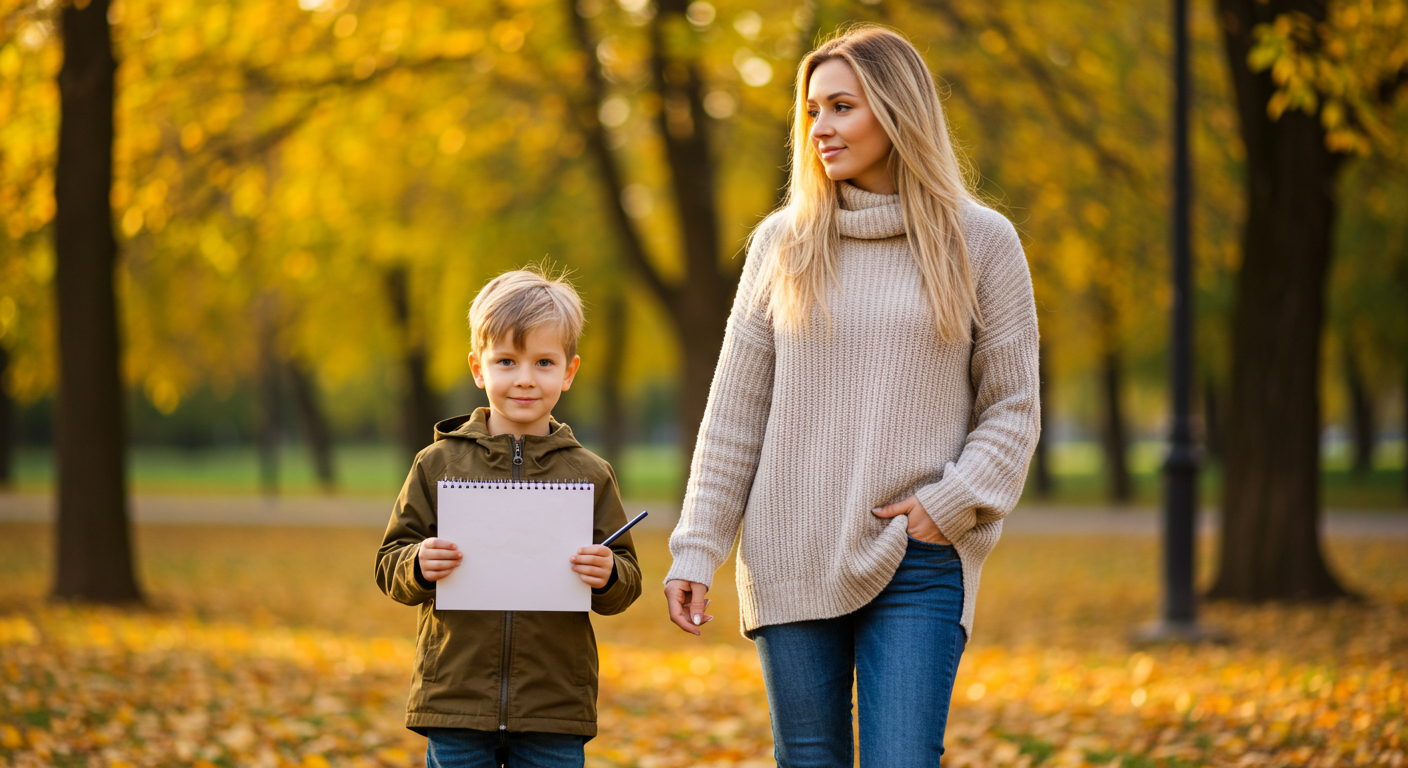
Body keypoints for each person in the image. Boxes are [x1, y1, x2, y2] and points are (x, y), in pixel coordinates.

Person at [663, 25, 1041, 768]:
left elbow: (1012, 406)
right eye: (812, 110)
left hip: (918, 555)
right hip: (789, 550)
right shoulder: (783, 244)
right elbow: (734, 417)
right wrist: (696, 550)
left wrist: (950, 502)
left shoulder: (982, 241)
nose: (820, 128)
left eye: (842, 107)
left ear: (898, 110)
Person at [376, 267, 642, 768]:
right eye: (506, 361)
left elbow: (626, 580)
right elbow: (389, 562)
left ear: (568, 372)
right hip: (455, 698)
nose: (524, 378)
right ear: (478, 369)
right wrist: (417, 563)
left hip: (553, 706)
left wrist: (608, 574)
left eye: (544, 362)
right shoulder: (436, 464)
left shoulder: (590, 473)